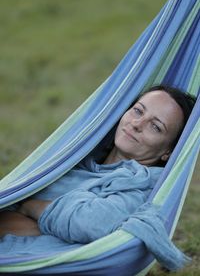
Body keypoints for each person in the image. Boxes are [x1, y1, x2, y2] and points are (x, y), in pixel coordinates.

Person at [0, 85, 196, 243]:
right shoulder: (76, 157)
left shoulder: (140, 187)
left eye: (155, 126)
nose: (137, 124)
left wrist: (29, 207)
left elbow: (88, 224)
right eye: (138, 111)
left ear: (167, 152)